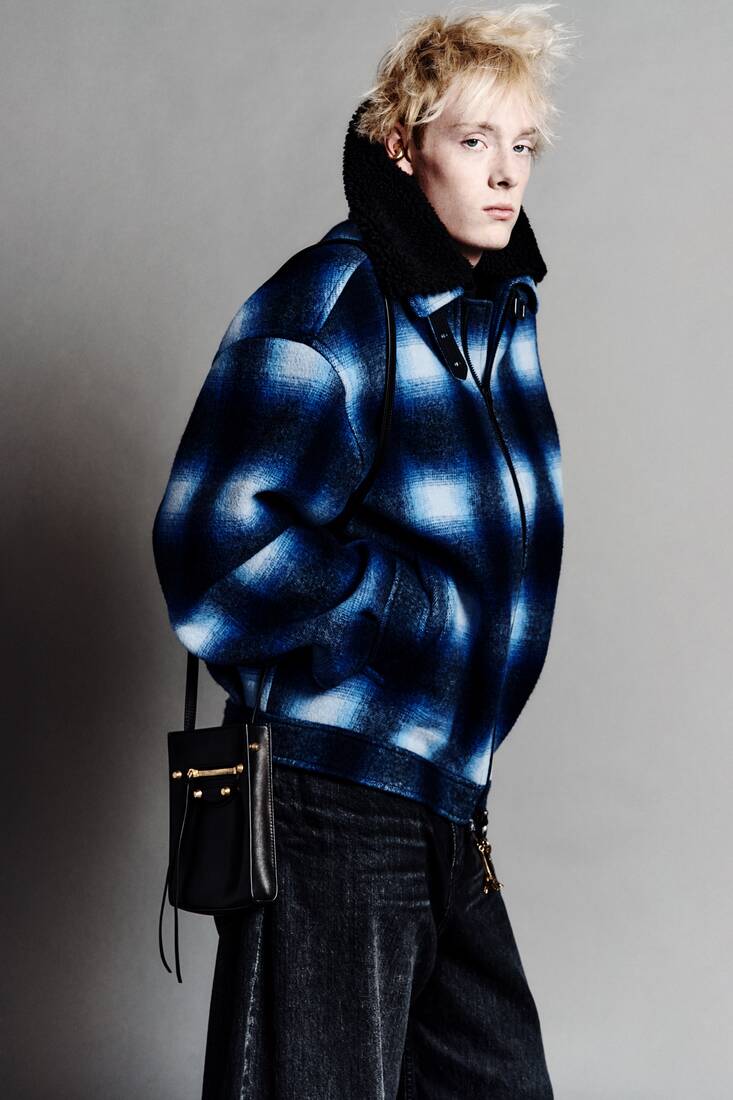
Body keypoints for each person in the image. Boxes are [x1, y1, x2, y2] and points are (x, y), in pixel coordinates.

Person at [152, 5, 574, 1097]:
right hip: (335, 798)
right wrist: (400, 606)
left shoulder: (491, 316)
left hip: (445, 798)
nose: (505, 174)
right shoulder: (336, 301)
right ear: (400, 146)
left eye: (521, 144)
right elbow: (212, 547)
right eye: (472, 140)